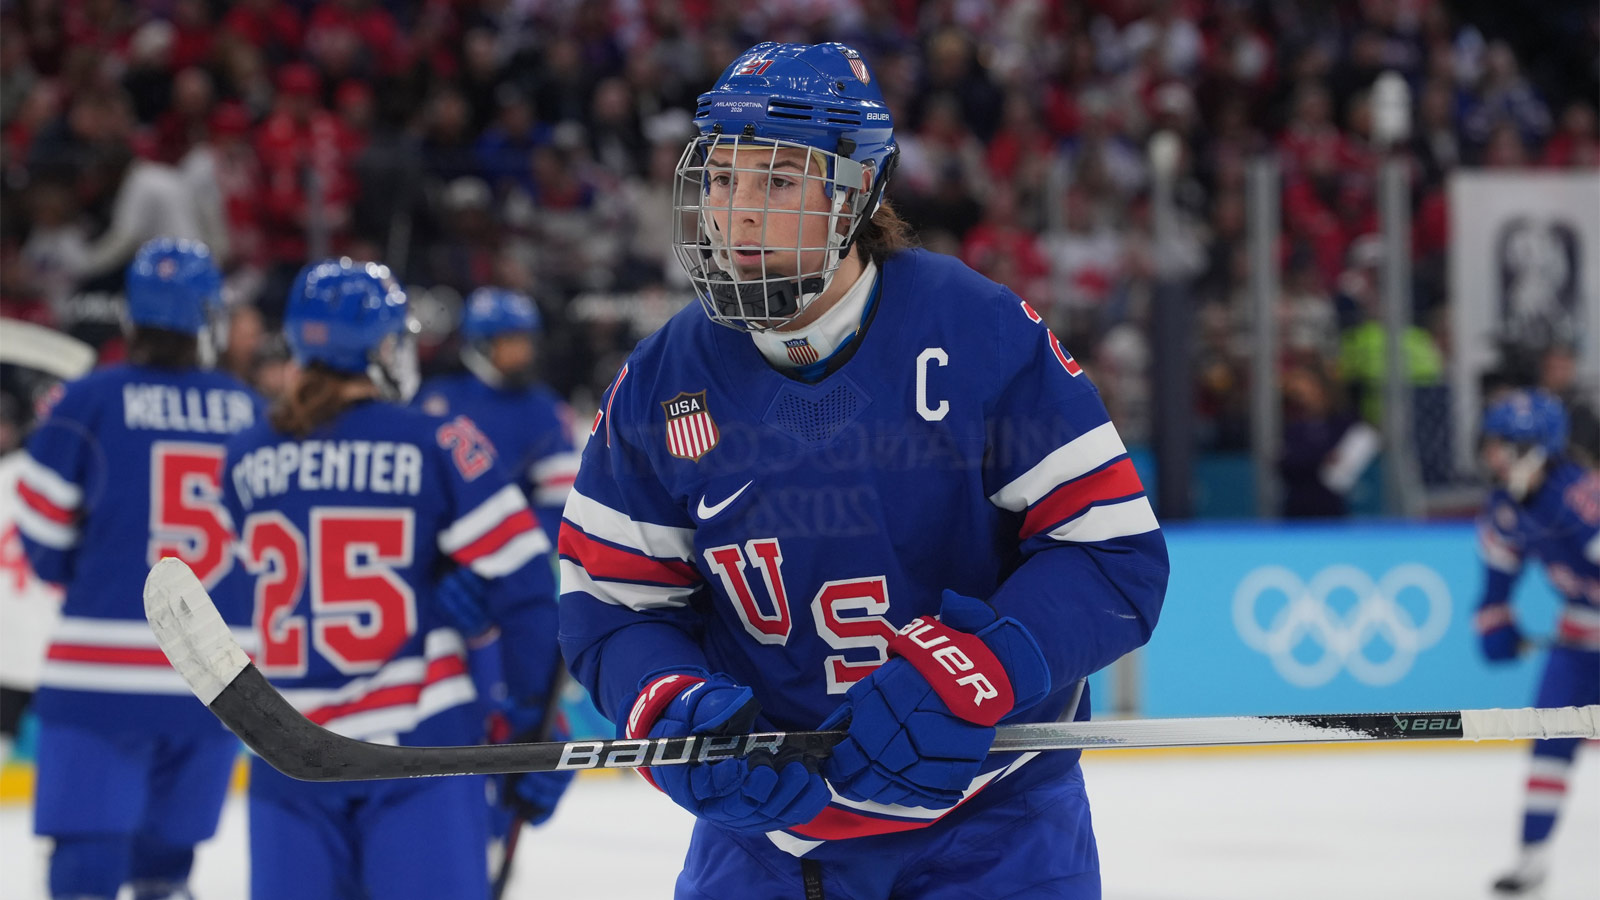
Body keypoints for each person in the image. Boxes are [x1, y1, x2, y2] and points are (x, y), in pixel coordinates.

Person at [558, 42, 1169, 899]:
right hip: (766, 837)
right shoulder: (662, 382)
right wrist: (670, 704)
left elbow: (1113, 556)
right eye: (724, 180)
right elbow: (612, 605)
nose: (737, 215)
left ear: (856, 192)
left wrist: (981, 668)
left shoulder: (978, 332)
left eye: (776, 182)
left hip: (995, 830)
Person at [219, 258, 569, 900]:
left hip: (287, 758)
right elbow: (525, 591)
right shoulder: (436, 440)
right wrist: (530, 724)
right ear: (382, 345)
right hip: (419, 749)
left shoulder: (245, 455)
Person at [15, 238, 263, 900]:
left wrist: (101, 579)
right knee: (166, 867)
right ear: (207, 317)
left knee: (86, 868)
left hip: (98, 672)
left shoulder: (86, 401)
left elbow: (36, 539)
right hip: (217, 681)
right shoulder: (252, 410)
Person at [1472, 389, 1600, 896]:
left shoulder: (1582, 501)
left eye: (1502, 444)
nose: (1489, 454)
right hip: (1576, 639)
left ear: (1532, 449)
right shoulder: (1506, 505)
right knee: (1550, 743)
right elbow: (1495, 583)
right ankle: (1531, 862)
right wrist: (1495, 623)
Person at [414, 287, 579, 546]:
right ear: (481, 344)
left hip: (513, 547)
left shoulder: (544, 408)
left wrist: (515, 547)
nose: (525, 352)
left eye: (527, 341)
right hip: (439, 542)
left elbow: (560, 502)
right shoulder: (437, 399)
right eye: (512, 341)